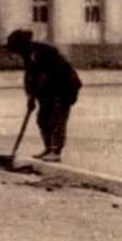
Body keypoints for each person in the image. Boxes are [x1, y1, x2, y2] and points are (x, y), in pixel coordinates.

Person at [5, 29, 81, 162]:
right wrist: (30, 98)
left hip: (65, 86)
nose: (15, 53)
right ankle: (48, 149)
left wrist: (33, 96)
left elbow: (42, 76)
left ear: (21, 45)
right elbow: (29, 77)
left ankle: (55, 151)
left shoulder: (40, 52)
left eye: (15, 48)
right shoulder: (29, 54)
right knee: (43, 118)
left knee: (57, 118)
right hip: (51, 88)